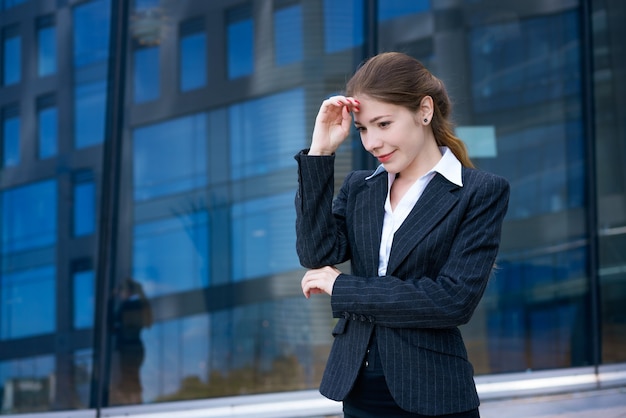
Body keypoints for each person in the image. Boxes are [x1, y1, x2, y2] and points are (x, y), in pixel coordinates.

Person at [294, 52, 510, 417]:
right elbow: (316, 253)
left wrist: (343, 287)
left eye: (383, 124)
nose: (371, 143)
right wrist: (320, 152)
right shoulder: (361, 187)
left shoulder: (479, 192)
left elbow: (451, 300)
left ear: (424, 111)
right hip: (359, 388)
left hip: (433, 391)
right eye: (363, 129)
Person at [110, 277, 153, 405]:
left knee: (130, 380)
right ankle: (134, 405)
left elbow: (112, 325)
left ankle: (134, 406)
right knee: (130, 379)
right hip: (133, 348)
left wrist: (110, 300)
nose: (119, 294)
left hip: (130, 348)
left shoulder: (130, 306)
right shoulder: (137, 304)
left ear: (128, 292)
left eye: (121, 291)